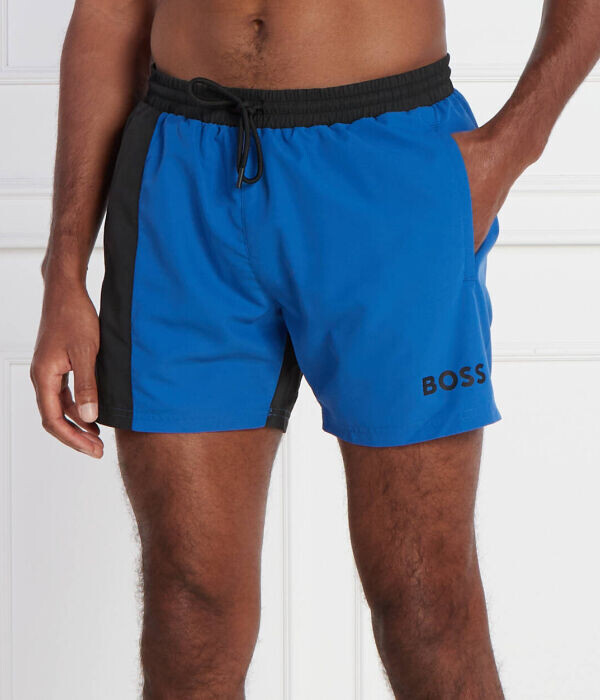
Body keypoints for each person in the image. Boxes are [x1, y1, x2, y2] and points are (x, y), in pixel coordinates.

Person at [30, 0, 600, 696]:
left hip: (387, 170)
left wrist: (510, 150)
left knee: (425, 606)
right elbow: (110, 11)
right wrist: (63, 270)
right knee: (187, 608)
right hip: (183, 176)